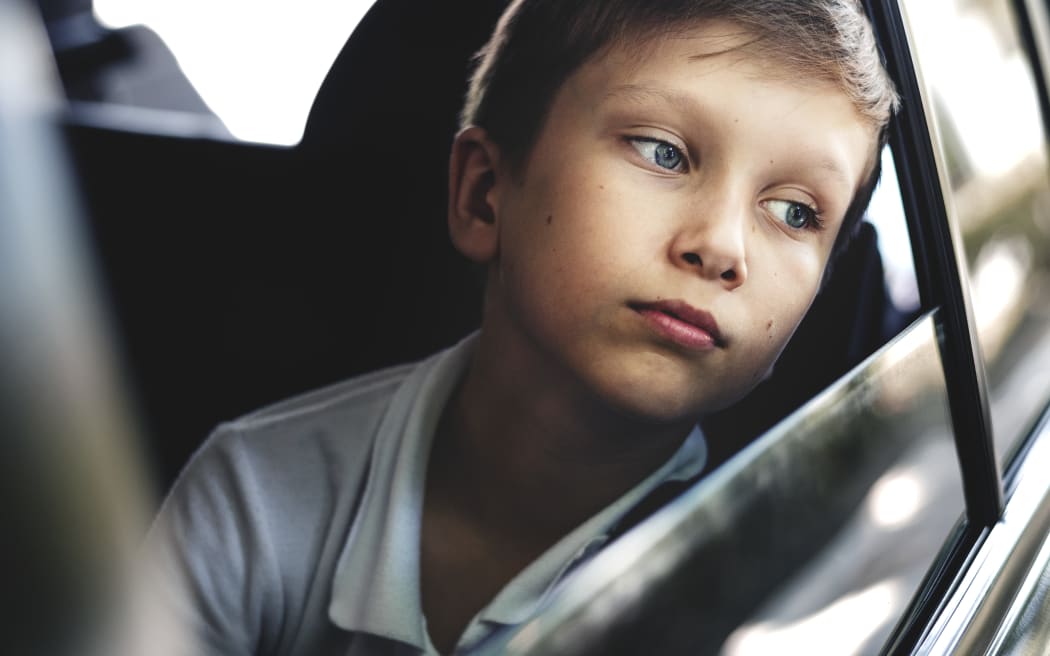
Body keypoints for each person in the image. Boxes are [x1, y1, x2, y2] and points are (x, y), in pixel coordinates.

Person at [146, 0, 900, 654]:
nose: (724, 248)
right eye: (663, 152)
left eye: (797, 212)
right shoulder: (250, 497)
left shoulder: (774, 588)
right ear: (483, 196)